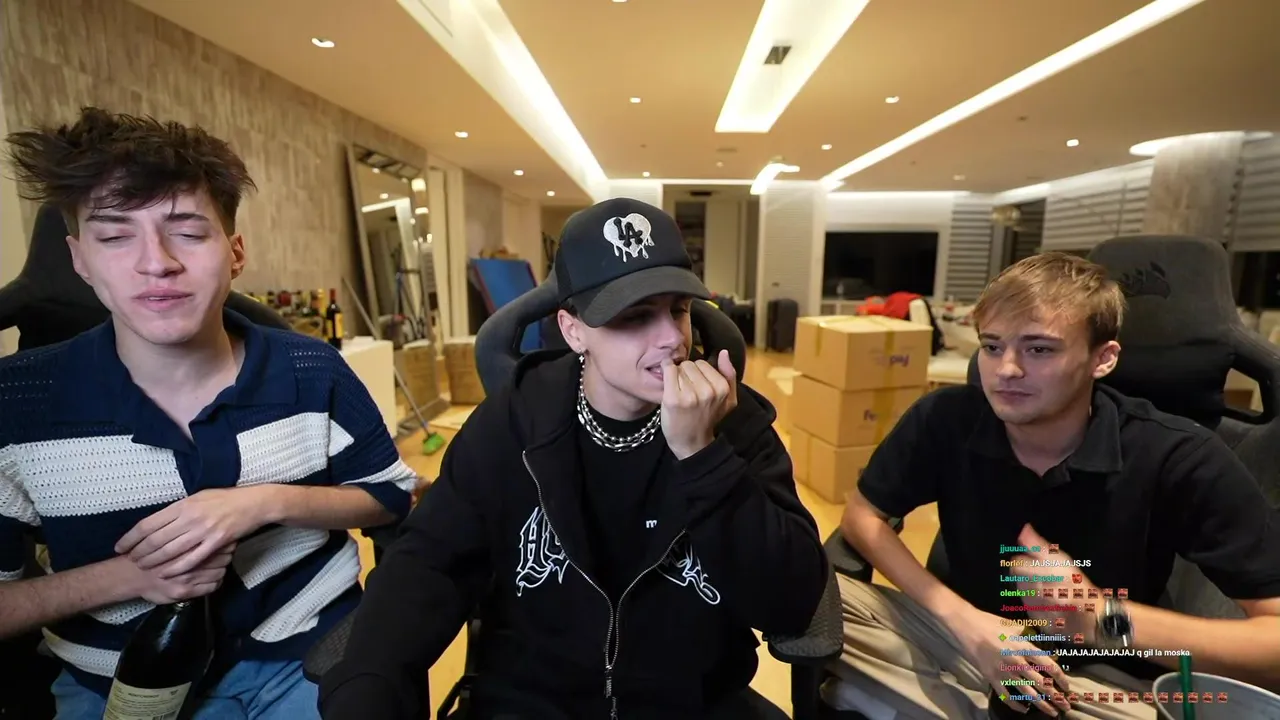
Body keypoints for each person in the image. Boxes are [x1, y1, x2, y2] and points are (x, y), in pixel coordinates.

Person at [319, 197, 828, 719]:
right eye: (636, 317)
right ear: (572, 330)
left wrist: (703, 456)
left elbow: (792, 603)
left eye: (678, 309)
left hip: (692, 704)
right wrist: (368, 687)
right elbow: (428, 564)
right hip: (533, 704)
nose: (673, 339)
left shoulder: (734, 421)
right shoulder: (514, 419)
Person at [0, 107, 417, 718]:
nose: (156, 262)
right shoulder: (17, 402)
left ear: (235, 251)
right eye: (114, 236)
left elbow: (391, 494)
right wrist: (131, 578)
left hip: (306, 656)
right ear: (79, 259)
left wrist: (264, 503)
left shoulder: (312, 369)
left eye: (189, 233)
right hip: (116, 682)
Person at [830, 253, 1280, 719]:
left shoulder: (1179, 454)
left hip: (1096, 677)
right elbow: (863, 516)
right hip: (965, 643)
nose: (1006, 369)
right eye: (992, 346)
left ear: (1103, 358)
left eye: (1039, 350)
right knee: (815, 594)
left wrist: (1100, 619)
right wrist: (966, 622)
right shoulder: (944, 418)